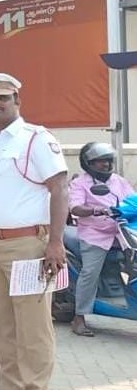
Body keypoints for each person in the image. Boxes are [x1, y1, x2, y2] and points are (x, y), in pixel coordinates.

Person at [0, 73, 68, 390]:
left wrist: (55, 242)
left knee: (33, 329)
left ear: (17, 100)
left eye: (3, 97)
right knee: (4, 325)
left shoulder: (36, 140)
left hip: (29, 245)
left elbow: (60, 188)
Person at [67, 142, 132, 337]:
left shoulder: (118, 181)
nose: (105, 165)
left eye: (107, 160)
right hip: (95, 235)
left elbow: (132, 200)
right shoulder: (80, 184)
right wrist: (97, 210)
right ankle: (79, 317)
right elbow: (75, 208)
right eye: (99, 162)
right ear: (88, 164)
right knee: (90, 273)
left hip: (122, 233)